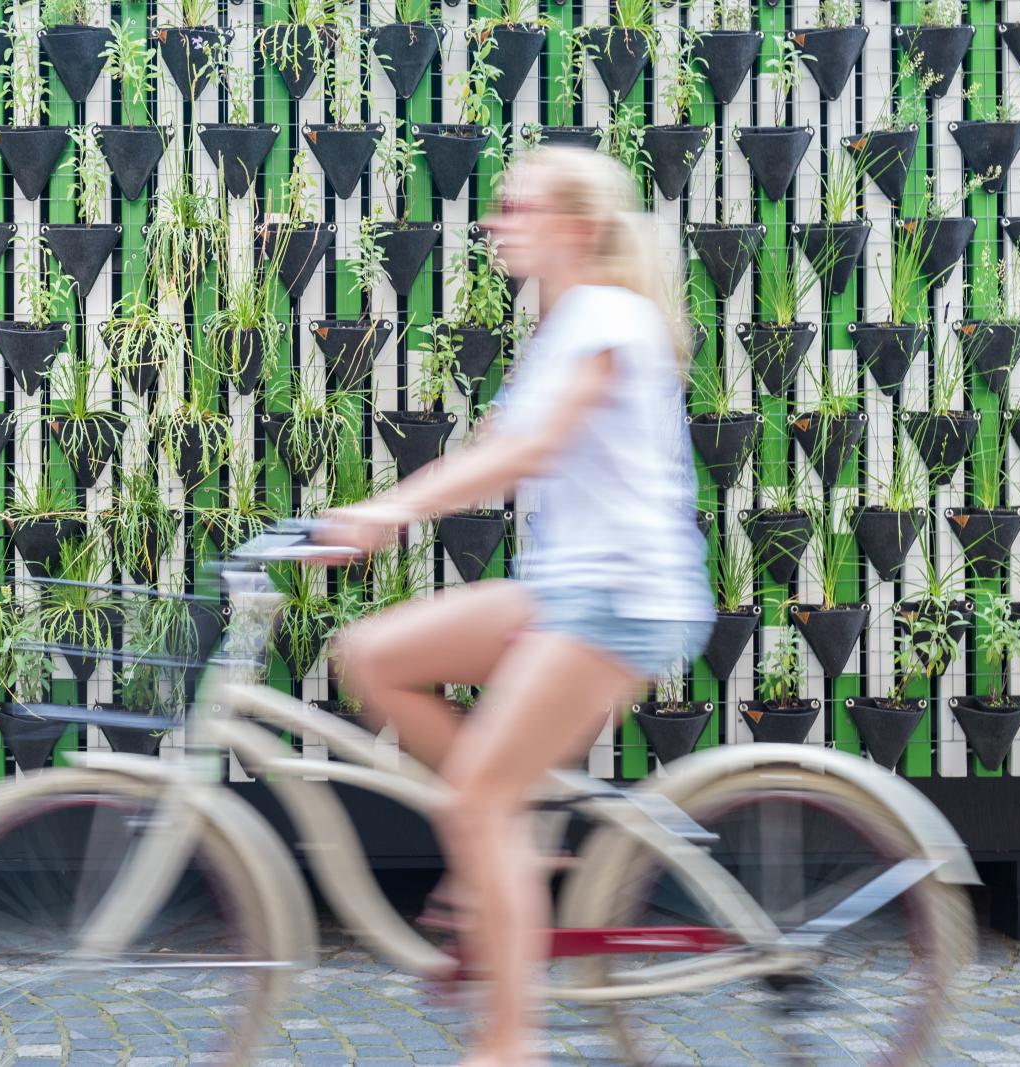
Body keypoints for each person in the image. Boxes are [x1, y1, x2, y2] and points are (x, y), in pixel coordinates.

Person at [315, 146, 713, 1066]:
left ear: (577, 225)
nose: (499, 222)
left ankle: (509, 1045)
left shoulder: (607, 317)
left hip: (620, 597)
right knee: (373, 653)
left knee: (483, 801)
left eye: (520, 208)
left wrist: (391, 509)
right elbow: (503, 443)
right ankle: (511, 846)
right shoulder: (563, 318)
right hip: (564, 588)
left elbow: (527, 450)